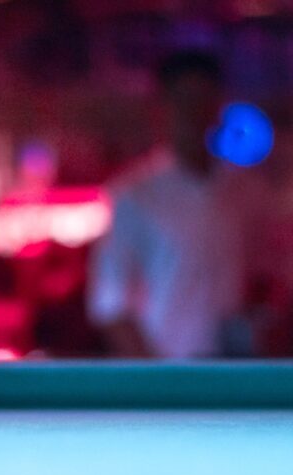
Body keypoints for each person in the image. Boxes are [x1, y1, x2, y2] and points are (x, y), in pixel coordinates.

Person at [89, 51, 253, 358]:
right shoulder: (133, 195)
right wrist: (158, 382)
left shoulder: (243, 189)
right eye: (184, 100)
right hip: (169, 368)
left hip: (235, 371)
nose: (195, 113)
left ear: (219, 106)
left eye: (204, 99)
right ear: (162, 108)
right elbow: (111, 306)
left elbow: (260, 279)